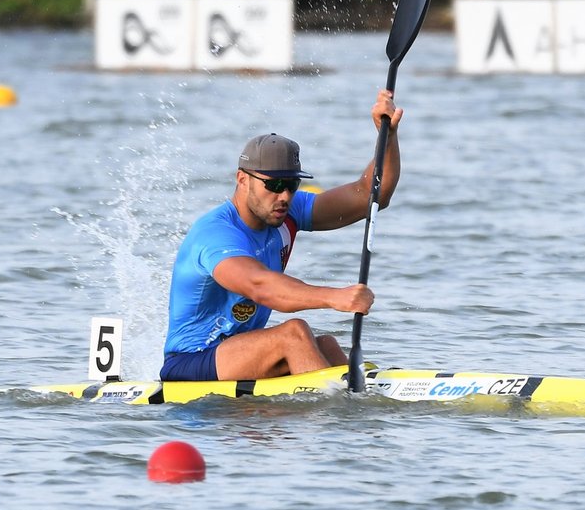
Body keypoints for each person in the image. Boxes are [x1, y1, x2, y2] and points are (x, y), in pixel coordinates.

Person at [160, 89, 403, 382]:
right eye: (274, 185)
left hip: (239, 354)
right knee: (294, 333)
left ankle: (356, 406)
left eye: (291, 185)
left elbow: (369, 195)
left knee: (324, 343)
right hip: (190, 362)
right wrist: (334, 297)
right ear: (242, 180)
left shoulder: (287, 211)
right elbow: (261, 286)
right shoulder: (216, 234)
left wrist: (386, 136)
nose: (285, 196)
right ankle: (335, 412)